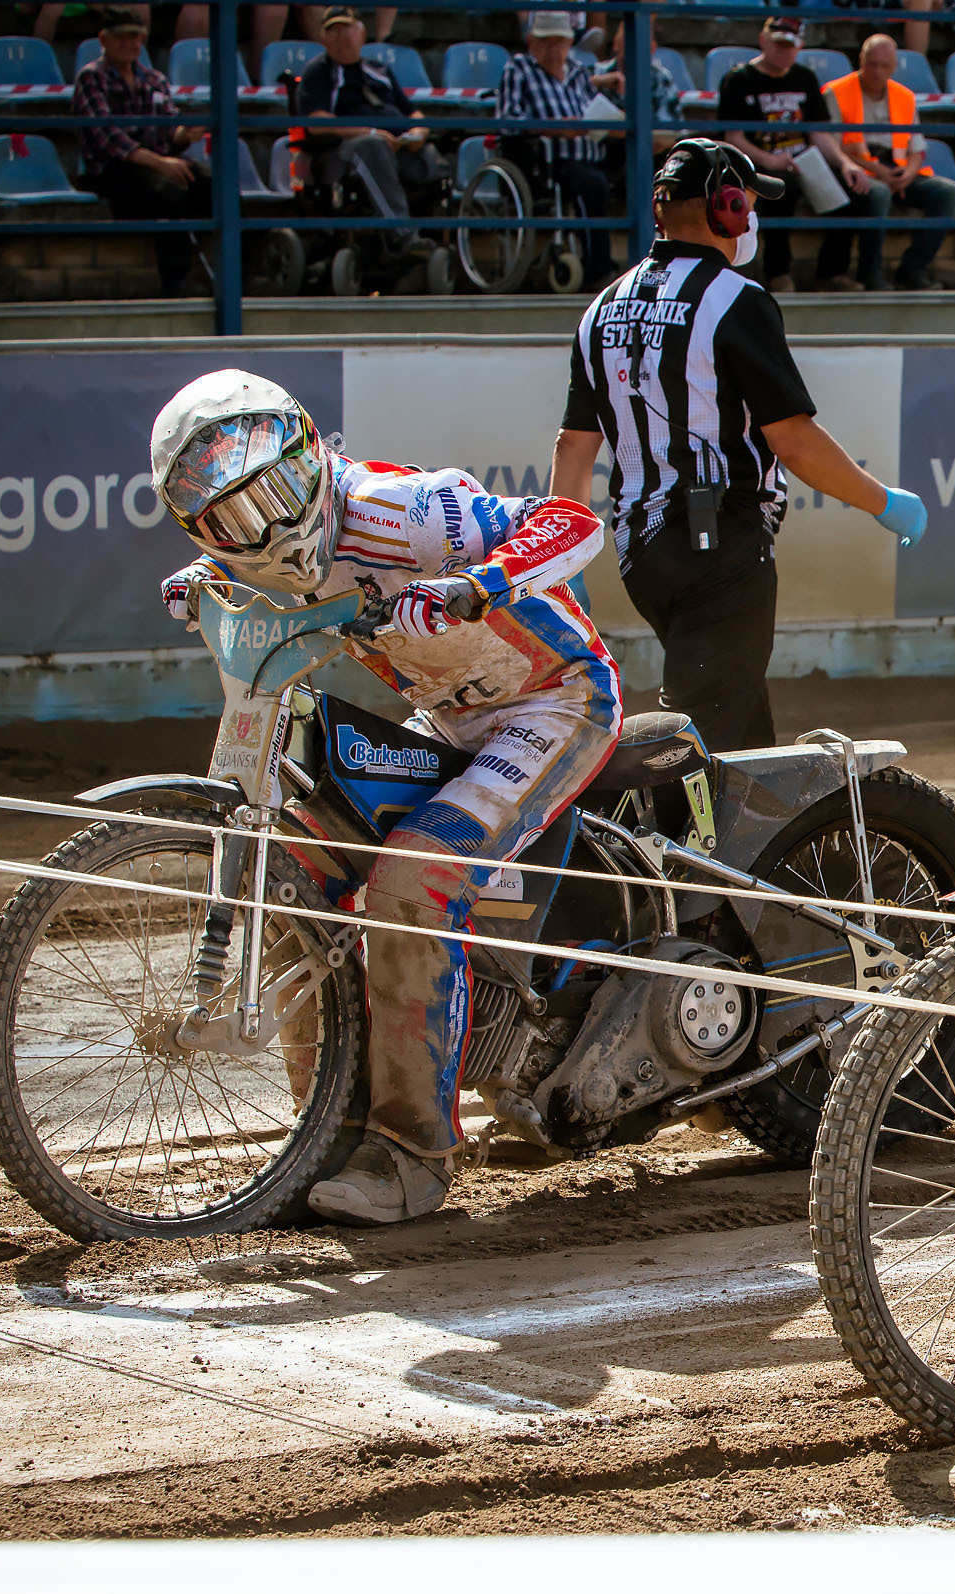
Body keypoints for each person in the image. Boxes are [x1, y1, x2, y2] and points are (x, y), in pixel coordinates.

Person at [148, 371, 616, 1226]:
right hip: (447, 719)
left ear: (311, 451)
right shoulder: (247, 554)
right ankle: (326, 1126)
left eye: (281, 490)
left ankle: (414, 1157)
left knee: (412, 882)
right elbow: (234, 561)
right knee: (289, 875)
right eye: (233, 518)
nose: (268, 523)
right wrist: (199, 580)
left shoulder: (411, 511)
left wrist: (483, 583)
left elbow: (572, 520)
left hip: (555, 701)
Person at [551, 140, 928, 752]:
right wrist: (881, 500)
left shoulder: (599, 308)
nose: (751, 216)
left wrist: (560, 562)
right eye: (747, 202)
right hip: (719, 545)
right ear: (725, 207)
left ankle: (761, 842)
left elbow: (574, 446)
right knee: (704, 732)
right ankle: (673, 840)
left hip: (640, 554)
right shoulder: (735, 299)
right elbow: (796, 443)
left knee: (737, 714)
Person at [718, 15, 872, 293]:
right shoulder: (738, 80)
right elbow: (734, 139)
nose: (784, 51)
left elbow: (819, 134)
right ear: (763, 41)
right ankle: (778, 272)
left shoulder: (805, 78)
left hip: (805, 161)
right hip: (759, 162)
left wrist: (847, 164)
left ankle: (831, 272)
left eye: (790, 46)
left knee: (852, 189)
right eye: (778, 44)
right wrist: (770, 161)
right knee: (780, 189)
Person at [71, 6, 210, 295]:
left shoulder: (155, 79)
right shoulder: (91, 78)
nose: (130, 43)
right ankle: (176, 281)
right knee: (169, 190)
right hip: (113, 170)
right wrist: (160, 163)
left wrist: (186, 133)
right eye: (121, 37)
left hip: (156, 161)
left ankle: (248, 267)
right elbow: (107, 137)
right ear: (104, 40)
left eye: (135, 37)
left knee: (214, 184)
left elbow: (170, 130)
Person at [820, 34, 955, 291]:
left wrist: (908, 174)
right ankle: (870, 273)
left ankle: (913, 270)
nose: (877, 71)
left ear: (894, 67)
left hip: (897, 170)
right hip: (857, 169)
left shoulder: (905, 97)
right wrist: (879, 173)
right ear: (861, 61)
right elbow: (833, 147)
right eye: (872, 64)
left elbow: (916, 149)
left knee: (948, 193)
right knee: (878, 195)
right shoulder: (836, 92)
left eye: (883, 66)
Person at [295, 4, 443, 255]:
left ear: (362, 35)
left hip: (396, 144)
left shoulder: (379, 70)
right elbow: (316, 122)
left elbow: (412, 111)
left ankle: (442, 239)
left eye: (348, 30)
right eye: (334, 32)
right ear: (323, 39)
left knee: (434, 154)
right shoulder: (318, 71)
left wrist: (417, 132)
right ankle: (404, 238)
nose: (343, 37)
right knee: (372, 147)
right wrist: (369, 131)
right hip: (342, 150)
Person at [496, 11, 620, 287]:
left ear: (569, 44)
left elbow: (596, 110)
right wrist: (553, 126)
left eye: (559, 42)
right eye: (546, 42)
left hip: (591, 153)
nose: (553, 50)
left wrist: (613, 124)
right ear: (531, 42)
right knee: (592, 184)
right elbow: (508, 121)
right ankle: (597, 270)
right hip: (547, 160)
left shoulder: (577, 72)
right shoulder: (518, 69)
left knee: (634, 171)